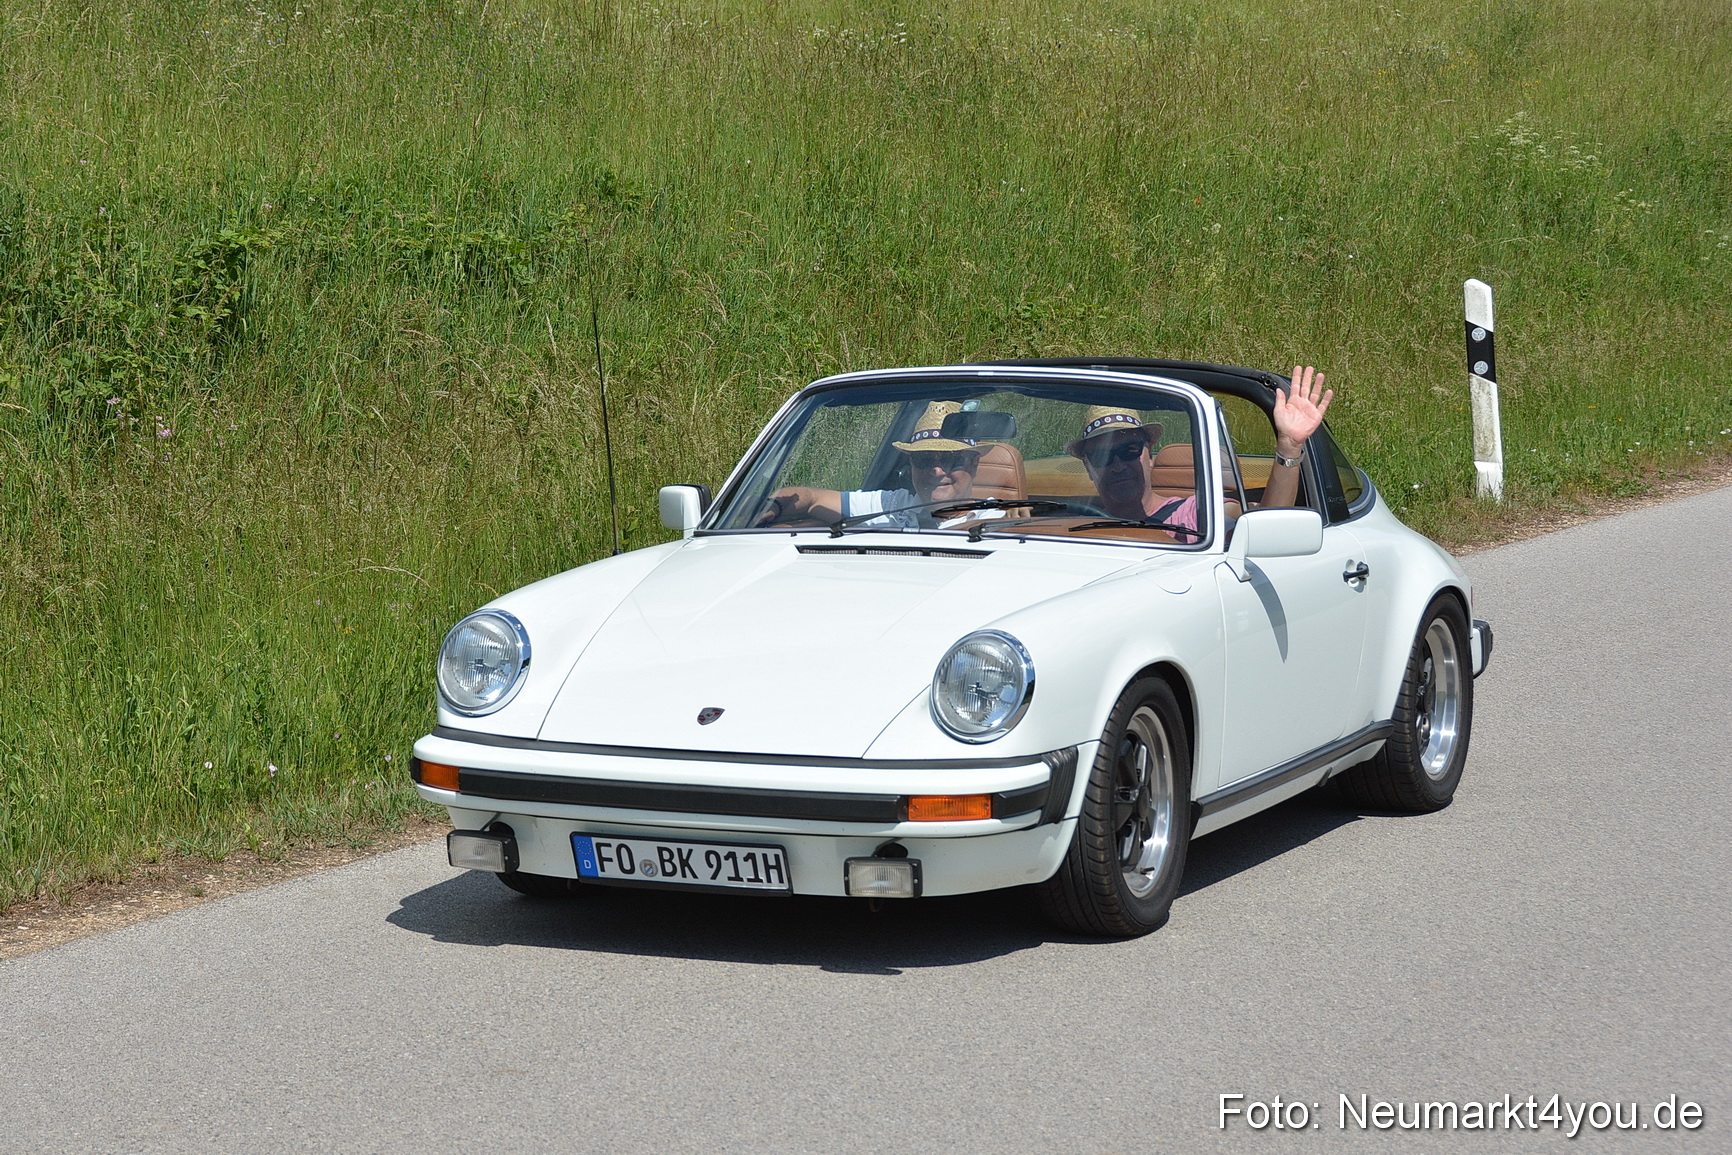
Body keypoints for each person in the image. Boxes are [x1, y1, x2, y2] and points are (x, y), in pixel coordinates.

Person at [1067, 365, 1333, 539]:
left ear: (1149, 456)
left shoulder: (1196, 513)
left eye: (1129, 451)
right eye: (1102, 456)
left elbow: (1267, 532)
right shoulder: (1073, 522)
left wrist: (1289, 445)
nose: (1117, 465)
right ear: (1089, 468)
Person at [755, 401, 987, 528]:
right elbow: (811, 498)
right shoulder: (894, 506)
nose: (936, 470)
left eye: (949, 459)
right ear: (911, 464)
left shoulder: (1001, 517)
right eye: (924, 459)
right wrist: (771, 506)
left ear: (974, 464)